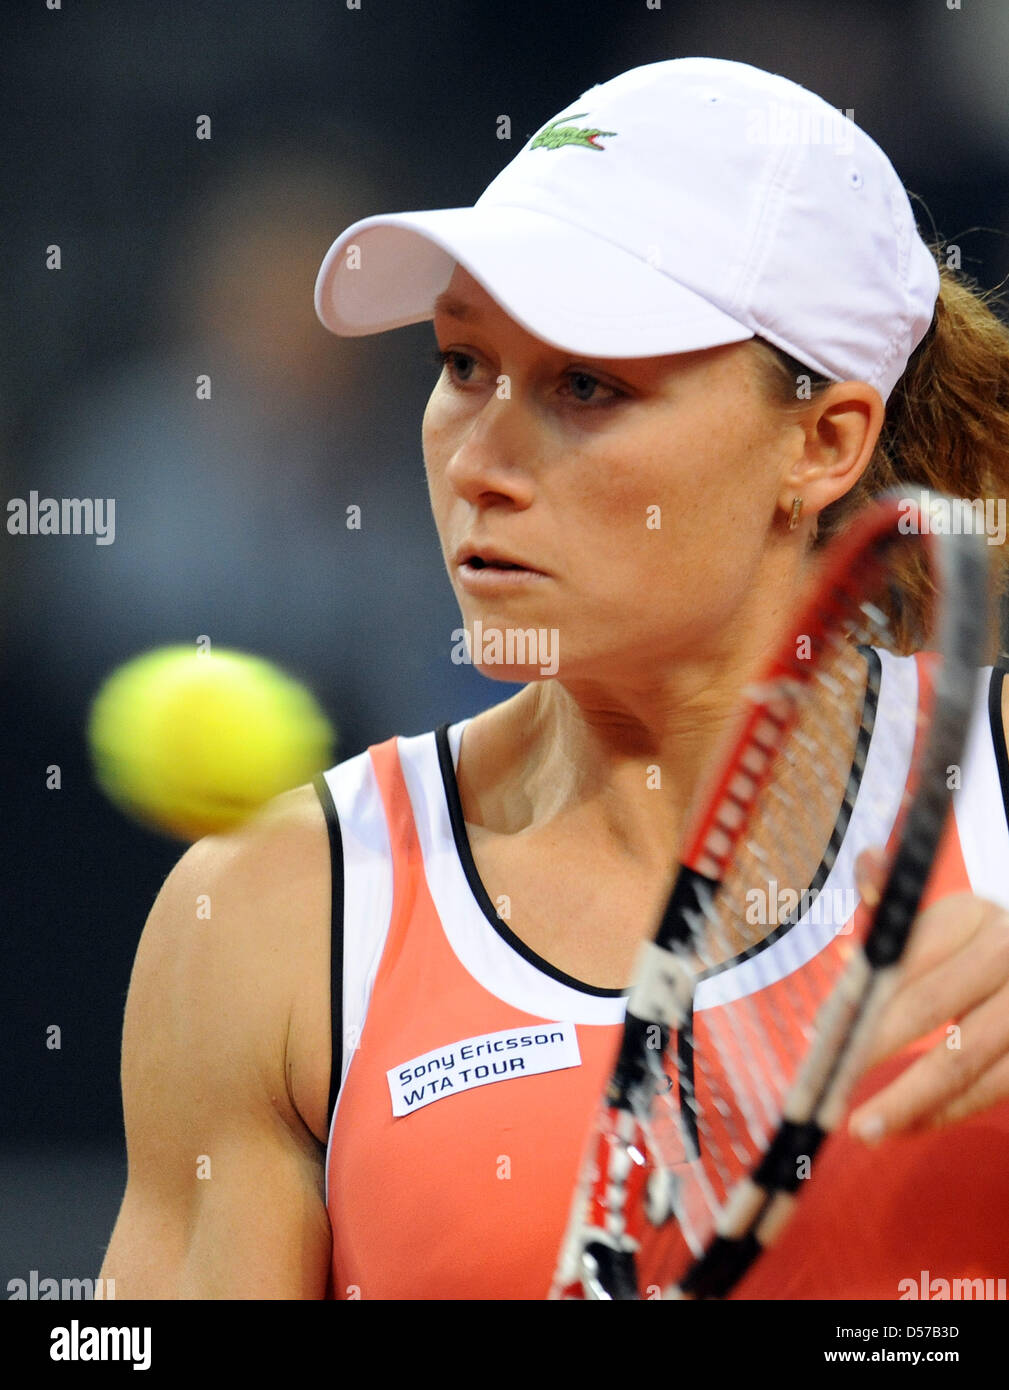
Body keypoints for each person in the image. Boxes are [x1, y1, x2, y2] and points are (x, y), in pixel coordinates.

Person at [100, 57, 1009, 1300]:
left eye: (587, 385)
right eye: (462, 364)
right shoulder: (268, 920)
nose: (481, 459)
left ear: (823, 440)